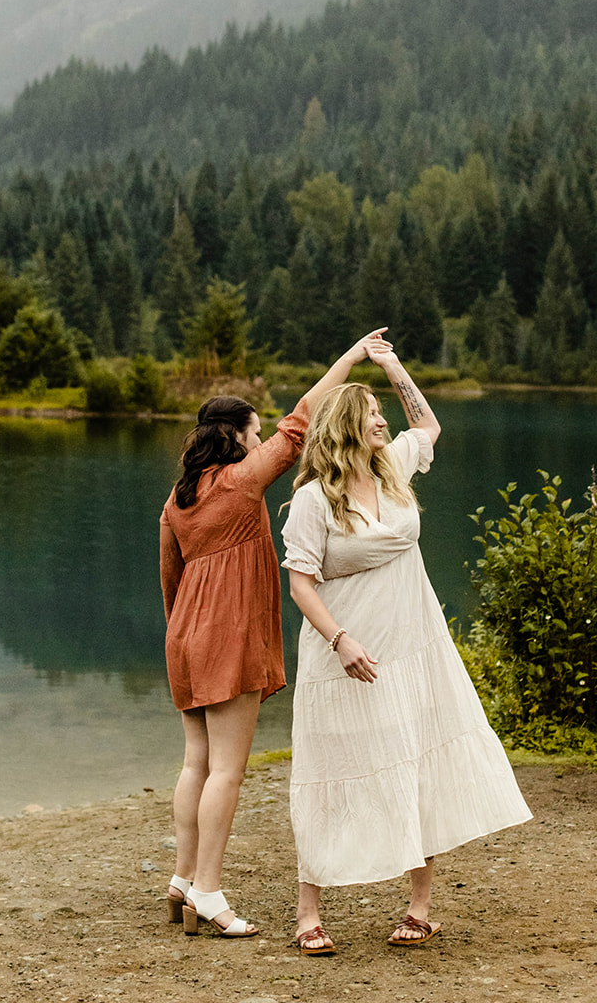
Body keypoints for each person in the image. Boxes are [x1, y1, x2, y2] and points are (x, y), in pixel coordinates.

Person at [281, 336, 531, 954]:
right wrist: (340, 641)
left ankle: (420, 907)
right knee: (328, 770)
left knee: (415, 760)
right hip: (344, 652)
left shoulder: (393, 470)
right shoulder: (313, 500)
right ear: (346, 428)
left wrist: (390, 367)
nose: (383, 423)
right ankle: (308, 913)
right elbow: (300, 585)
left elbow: (428, 423)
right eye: (372, 418)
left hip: (414, 645)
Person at [159, 329, 390, 939]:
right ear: (235, 438)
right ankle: (208, 890)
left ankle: (183, 878)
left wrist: (182, 637)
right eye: (254, 433)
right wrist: (350, 355)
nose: (262, 440)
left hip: (183, 637)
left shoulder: (177, 498)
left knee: (196, 764)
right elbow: (305, 416)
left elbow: (169, 580)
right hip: (226, 638)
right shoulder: (241, 481)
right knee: (228, 772)